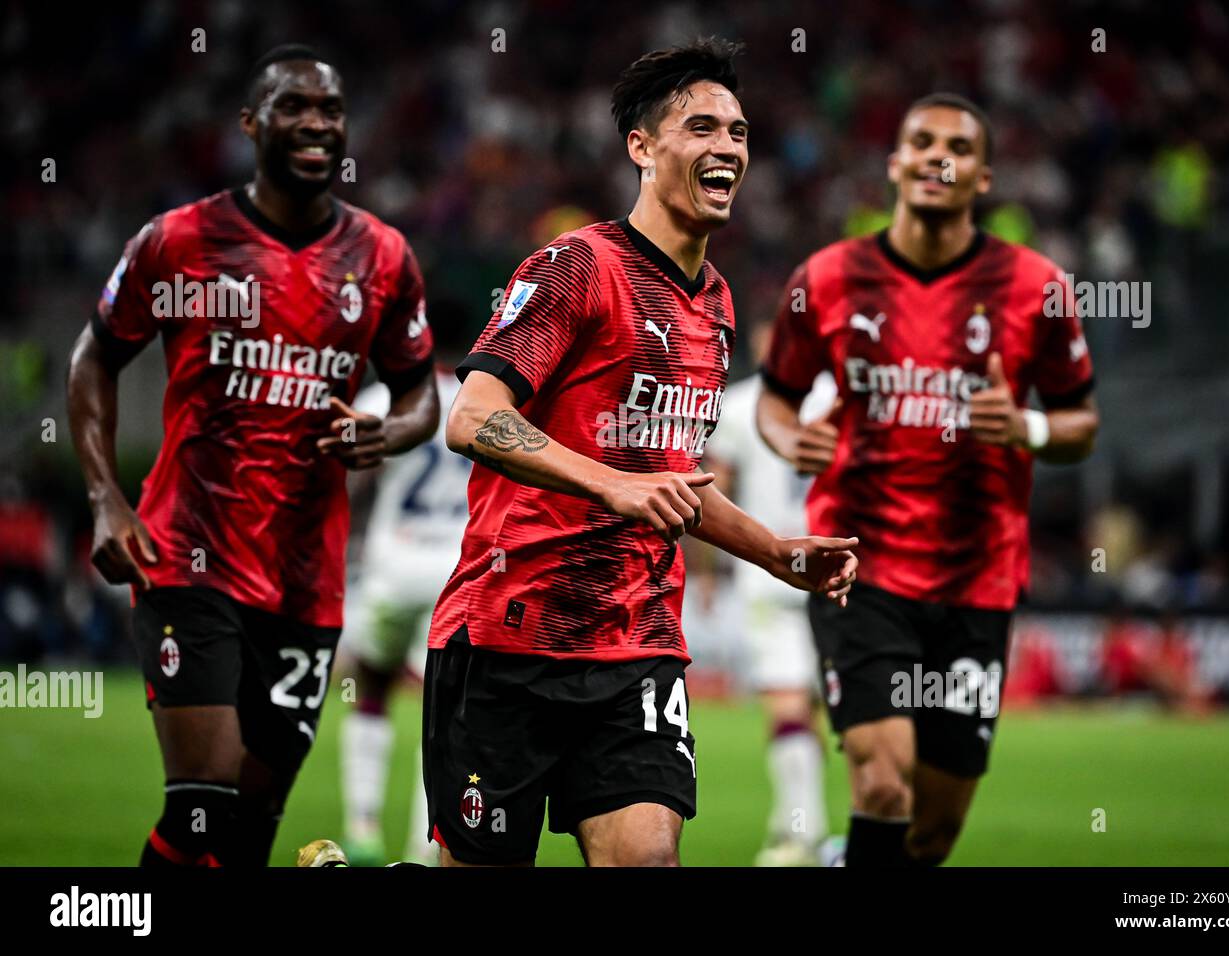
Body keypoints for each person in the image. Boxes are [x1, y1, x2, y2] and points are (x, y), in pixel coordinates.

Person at [422, 38, 858, 867]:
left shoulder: (718, 305)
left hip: (637, 645)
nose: (728, 146)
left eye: (737, 131)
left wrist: (776, 552)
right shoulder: (575, 268)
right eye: (702, 127)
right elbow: (473, 417)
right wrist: (609, 485)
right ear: (643, 147)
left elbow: (674, 480)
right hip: (510, 636)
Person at [66, 44, 438, 867]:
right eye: (293, 106)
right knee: (203, 803)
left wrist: (390, 432)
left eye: (330, 110)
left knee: (250, 827)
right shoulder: (181, 242)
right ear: (250, 125)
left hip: (307, 579)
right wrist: (104, 497)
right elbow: (93, 358)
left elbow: (421, 397)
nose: (315, 123)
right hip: (187, 557)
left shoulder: (382, 258)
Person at [758, 93, 1099, 866]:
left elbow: (1082, 422)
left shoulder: (1035, 287)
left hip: (976, 583)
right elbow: (775, 402)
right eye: (920, 140)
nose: (937, 155)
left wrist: (1031, 429)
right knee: (882, 786)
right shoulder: (829, 277)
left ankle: (844, 859)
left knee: (931, 834)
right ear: (895, 164)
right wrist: (793, 439)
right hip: (858, 569)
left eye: (958, 146)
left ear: (982, 176)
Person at [703, 318, 837, 866]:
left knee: (787, 707)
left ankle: (798, 836)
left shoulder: (738, 406)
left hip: (770, 569)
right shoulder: (846, 398)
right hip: (842, 568)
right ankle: (809, 829)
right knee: (816, 709)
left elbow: (712, 492)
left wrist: (709, 571)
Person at [338, 365, 469, 866]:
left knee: (371, 685)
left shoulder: (385, 396)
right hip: (454, 569)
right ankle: (425, 845)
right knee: (441, 711)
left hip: (392, 566)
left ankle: (364, 826)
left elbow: (354, 475)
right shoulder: (486, 394)